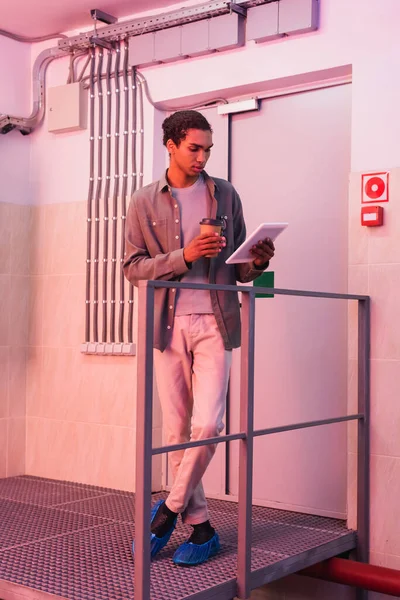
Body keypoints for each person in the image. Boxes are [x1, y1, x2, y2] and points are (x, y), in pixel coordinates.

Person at [123, 110, 275, 566]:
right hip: (167, 325)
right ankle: (203, 529)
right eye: (195, 147)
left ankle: (166, 513)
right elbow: (132, 269)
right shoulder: (144, 201)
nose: (203, 156)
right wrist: (183, 256)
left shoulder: (225, 194)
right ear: (170, 144)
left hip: (215, 321)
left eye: (208, 148)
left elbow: (242, 267)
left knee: (208, 426)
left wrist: (259, 261)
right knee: (175, 433)